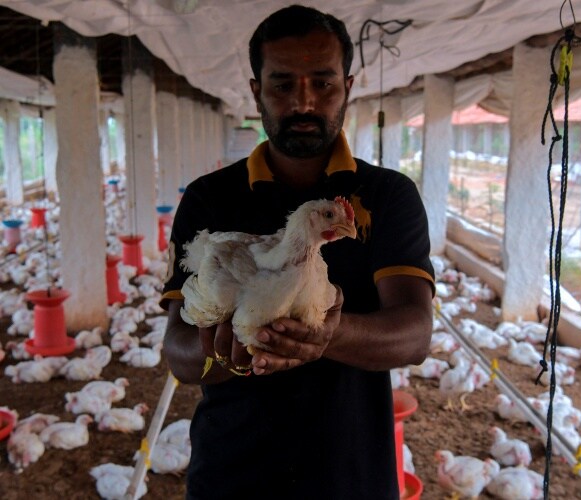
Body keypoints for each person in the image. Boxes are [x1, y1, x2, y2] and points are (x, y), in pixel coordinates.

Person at [161, 5, 435, 499]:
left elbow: (414, 334)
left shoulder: (387, 195)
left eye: (323, 83)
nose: (304, 102)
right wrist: (238, 347)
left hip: (350, 475)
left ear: (347, 87)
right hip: (232, 472)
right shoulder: (210, 199)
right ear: (256, 92)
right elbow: (178, 351)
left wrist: (326, 334)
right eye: (283, 84)